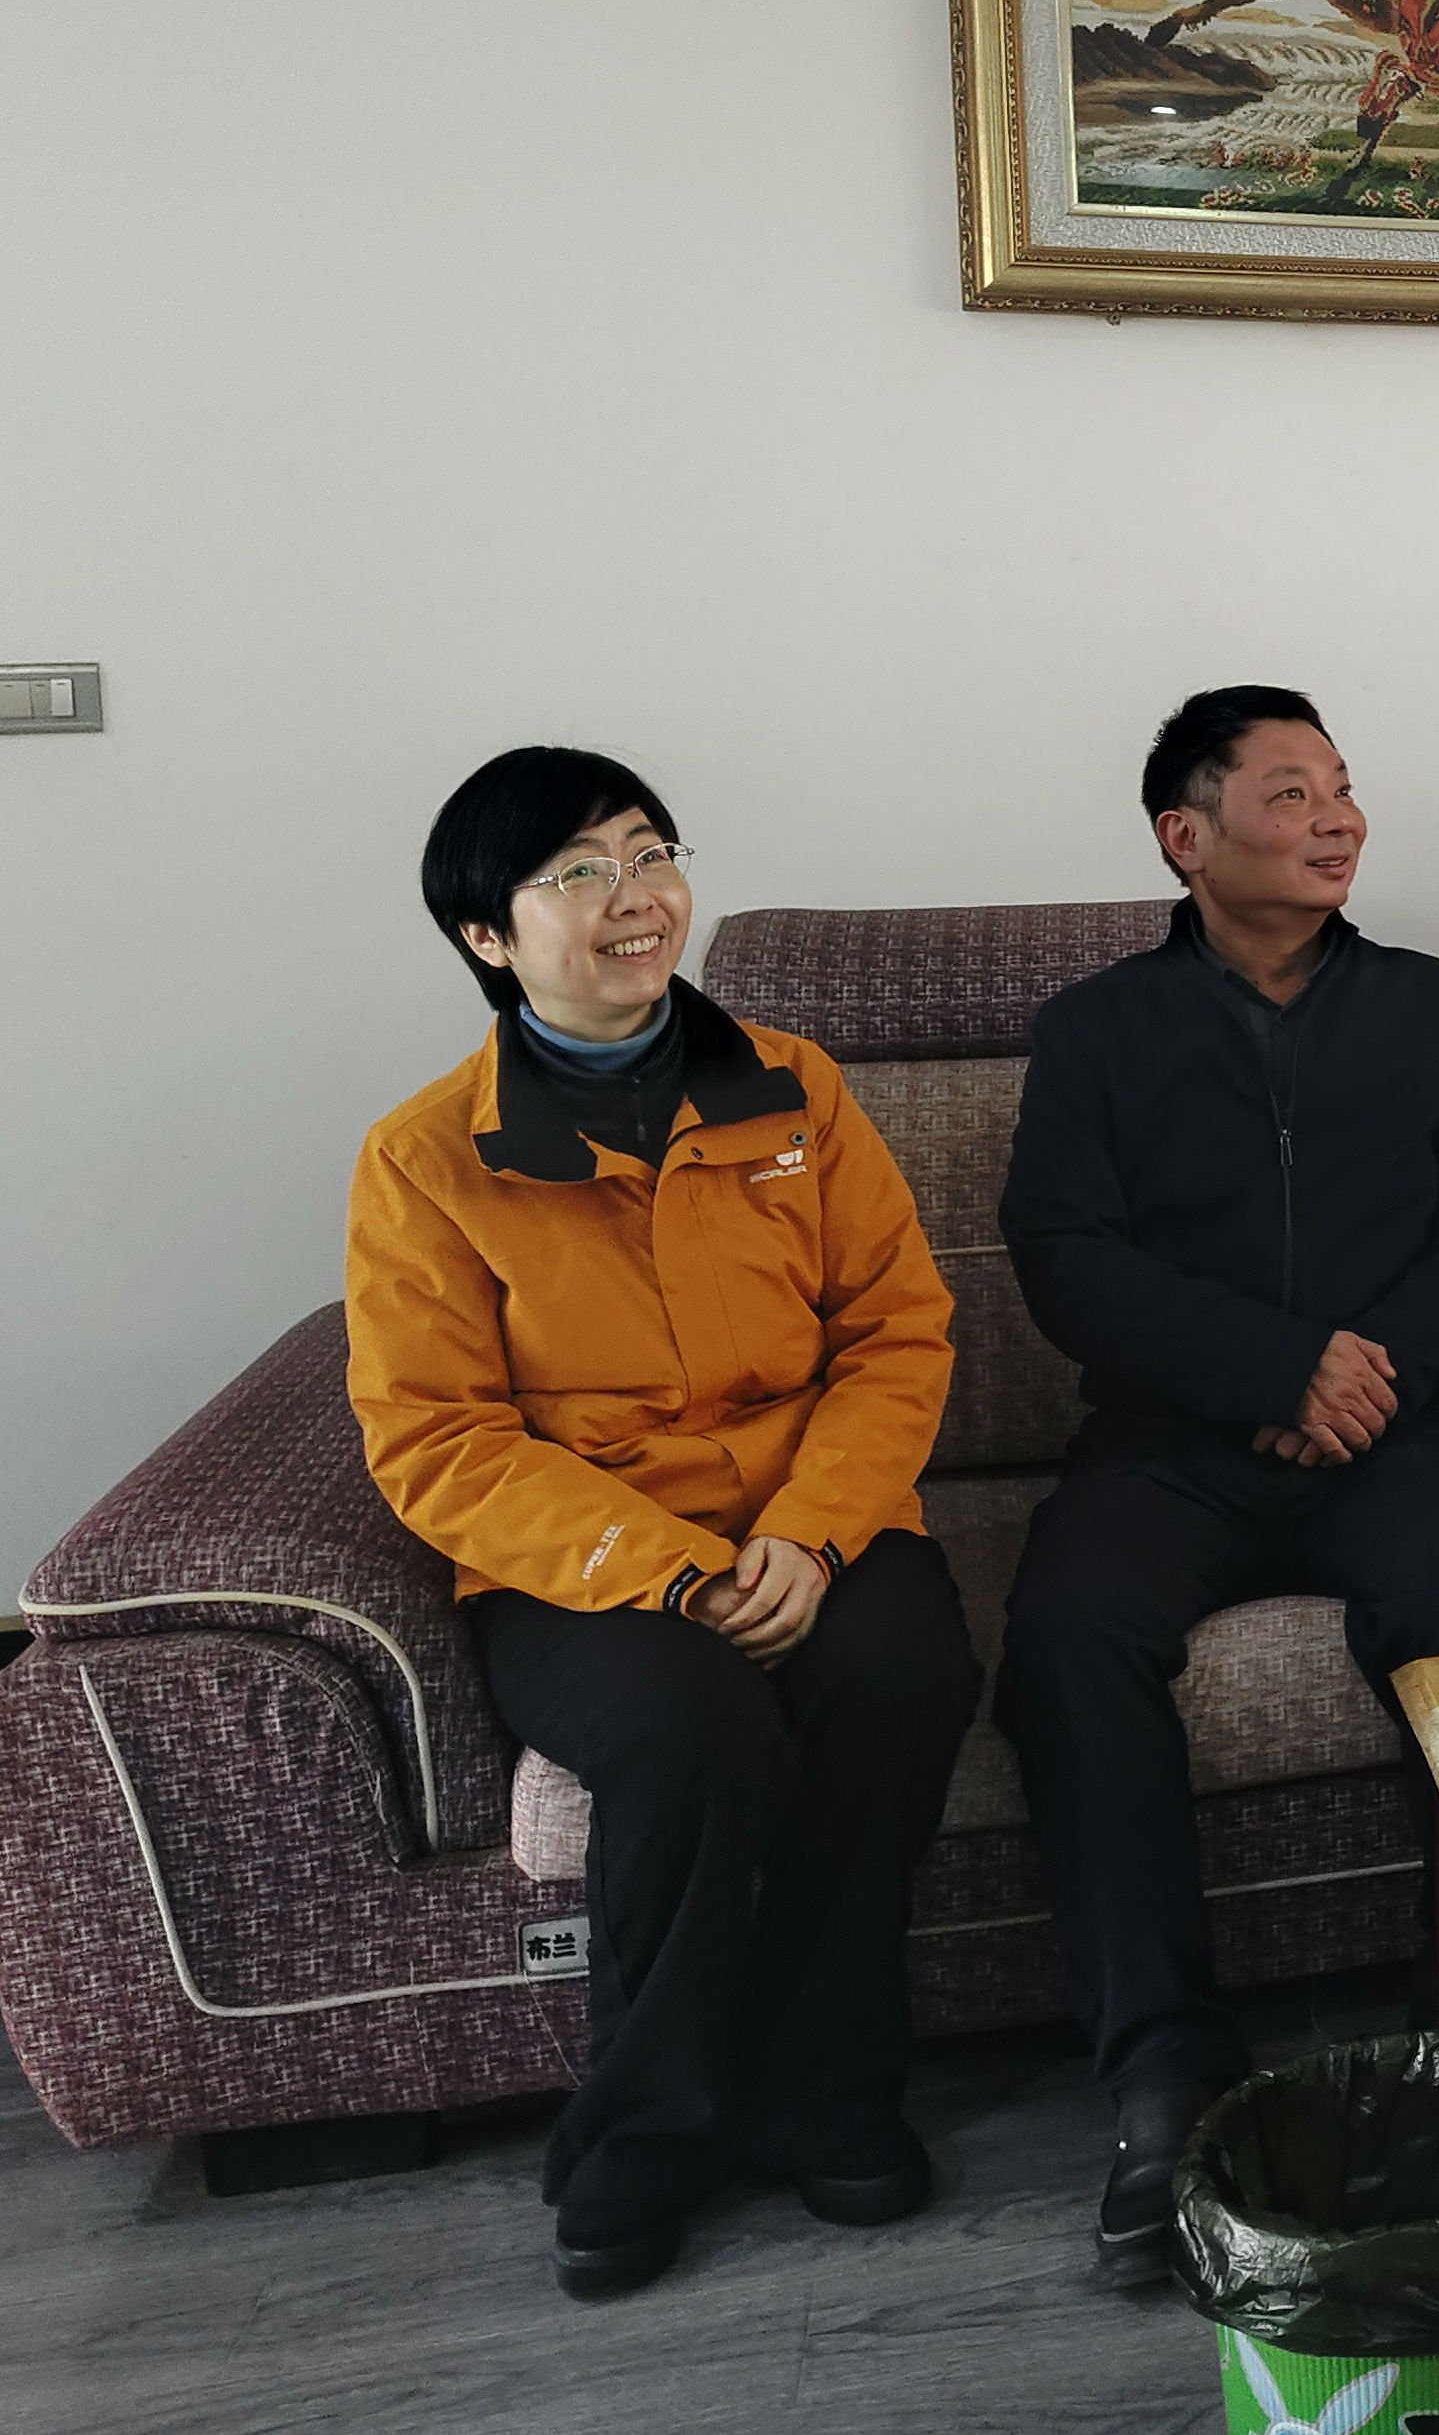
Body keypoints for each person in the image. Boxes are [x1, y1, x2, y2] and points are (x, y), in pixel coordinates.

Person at [345, 747, 978, 2303]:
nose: (635, 896)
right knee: (693, 1733)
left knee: (900, 1673)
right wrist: (682, 1573)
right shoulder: (427, 1159)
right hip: (584, 1563)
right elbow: (437, 1440)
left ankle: (832, 2092)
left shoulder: (793, 1089)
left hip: (815, 1520)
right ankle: (643, 2131)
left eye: (650, 852)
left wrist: (813, 1534)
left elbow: (897, 1332)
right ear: (487, 934)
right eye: (578, 872)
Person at [993, 687, 1439, 2286]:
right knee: (1069, 1639)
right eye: (1292, 793)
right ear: (1188, 835)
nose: (1339, 818)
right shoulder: (1096, 1030)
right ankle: (1164, 2072)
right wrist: (1272, 1368)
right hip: (1170, 1443)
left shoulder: (1425, 1005)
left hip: (1396, 1435)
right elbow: (1066, 1256)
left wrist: (1372, 1376)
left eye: (1344, 788)